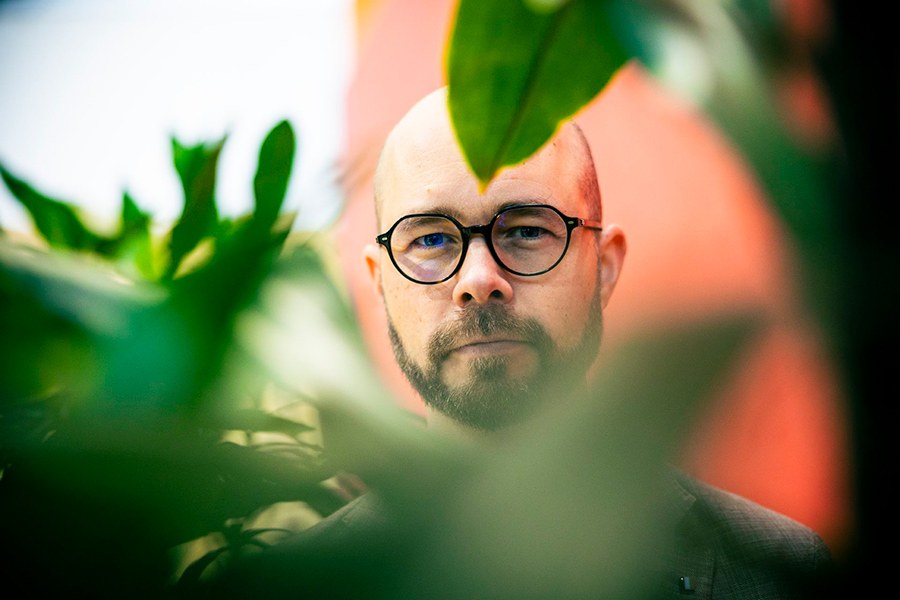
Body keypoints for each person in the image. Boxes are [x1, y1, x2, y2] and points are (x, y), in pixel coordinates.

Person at [214, 87, 835, 599]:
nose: (480, 281)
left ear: (606, 268)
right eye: (429, 239)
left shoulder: (781, 573)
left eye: (528, 230)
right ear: (379, 286)